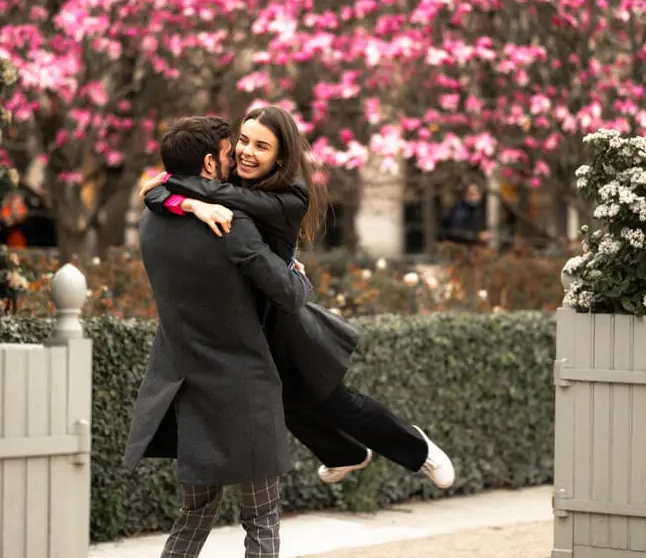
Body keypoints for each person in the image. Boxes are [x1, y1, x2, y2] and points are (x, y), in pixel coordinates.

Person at [141, 106, 454, 491]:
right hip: (248, 313)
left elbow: (184, 188)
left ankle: (418, 448)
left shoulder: (290, 196)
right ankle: (345, 454)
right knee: (285, 403)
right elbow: (159, 193)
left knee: (337, 401)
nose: (246, 152)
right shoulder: (232, 178)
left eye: (261, 146)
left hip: (281, 313)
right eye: (243, 141)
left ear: (281, 156)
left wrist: (185, 195)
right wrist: (188, 202)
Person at [124, 116, 311, 558]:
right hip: (243, 387)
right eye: (230, 152)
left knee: (194, 515)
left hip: (185, 383)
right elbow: (287, 295)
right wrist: (297, 270)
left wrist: (184, 200)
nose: (237, 159)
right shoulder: (233, 227)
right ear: (210, 163)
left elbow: (160, 192)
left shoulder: (152, 222)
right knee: (262, 521)